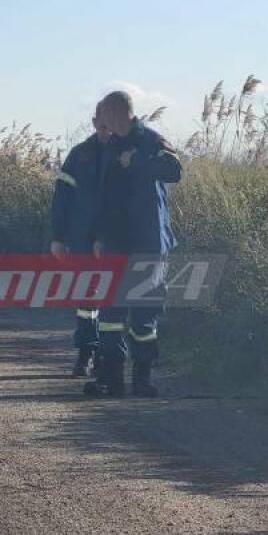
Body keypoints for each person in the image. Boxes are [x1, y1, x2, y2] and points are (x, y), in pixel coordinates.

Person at [85, 90, 182, 398]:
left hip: (148, 243)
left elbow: (174, 171)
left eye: (106, 117)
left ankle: (143, 379)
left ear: (118, 114)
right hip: (116, 242)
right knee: (111, 315)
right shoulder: (110, 146)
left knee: (144, 315)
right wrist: (98, 237)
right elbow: (103, 196)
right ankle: (112, 380)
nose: (103, 123)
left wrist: (138, 161)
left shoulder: (151, 142)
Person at [51, 103, 109, 377]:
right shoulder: (79, 155)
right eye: (102, 122)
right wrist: (57, 237)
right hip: (81, 242)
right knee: (86, 300)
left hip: (116, 242)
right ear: (94, 121)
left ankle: (108, 357)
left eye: (112, 122)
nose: (106, 128)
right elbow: (61, 199)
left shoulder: (127, 154)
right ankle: (86, 353)